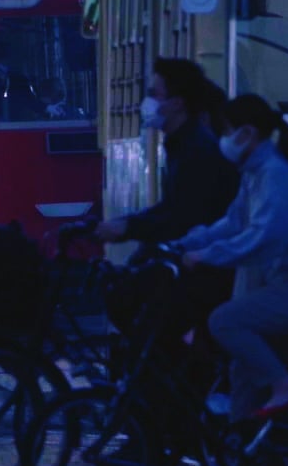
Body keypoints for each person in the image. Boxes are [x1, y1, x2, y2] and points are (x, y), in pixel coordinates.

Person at [174, 93, 288, 421]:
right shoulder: (256, 172)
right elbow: (234, 222)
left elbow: (261, 238)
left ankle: (285, 387)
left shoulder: (274, 175)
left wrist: (207, 255)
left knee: (224, 322)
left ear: (246, 134)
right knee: (244, 369)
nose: (222, 140)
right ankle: (238, 461)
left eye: (226, 131)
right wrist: (189, 241)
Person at [93, 58, 243, 397]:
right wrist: (128, 227)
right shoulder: (181, 145)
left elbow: (183, 217)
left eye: (154, 94)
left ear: (177, 103)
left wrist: (128, 228)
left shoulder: (196, 150)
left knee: (150, 327)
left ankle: (172, 411)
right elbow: (173, 210)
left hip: (211, 268)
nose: (148, 102)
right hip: (200, 260)